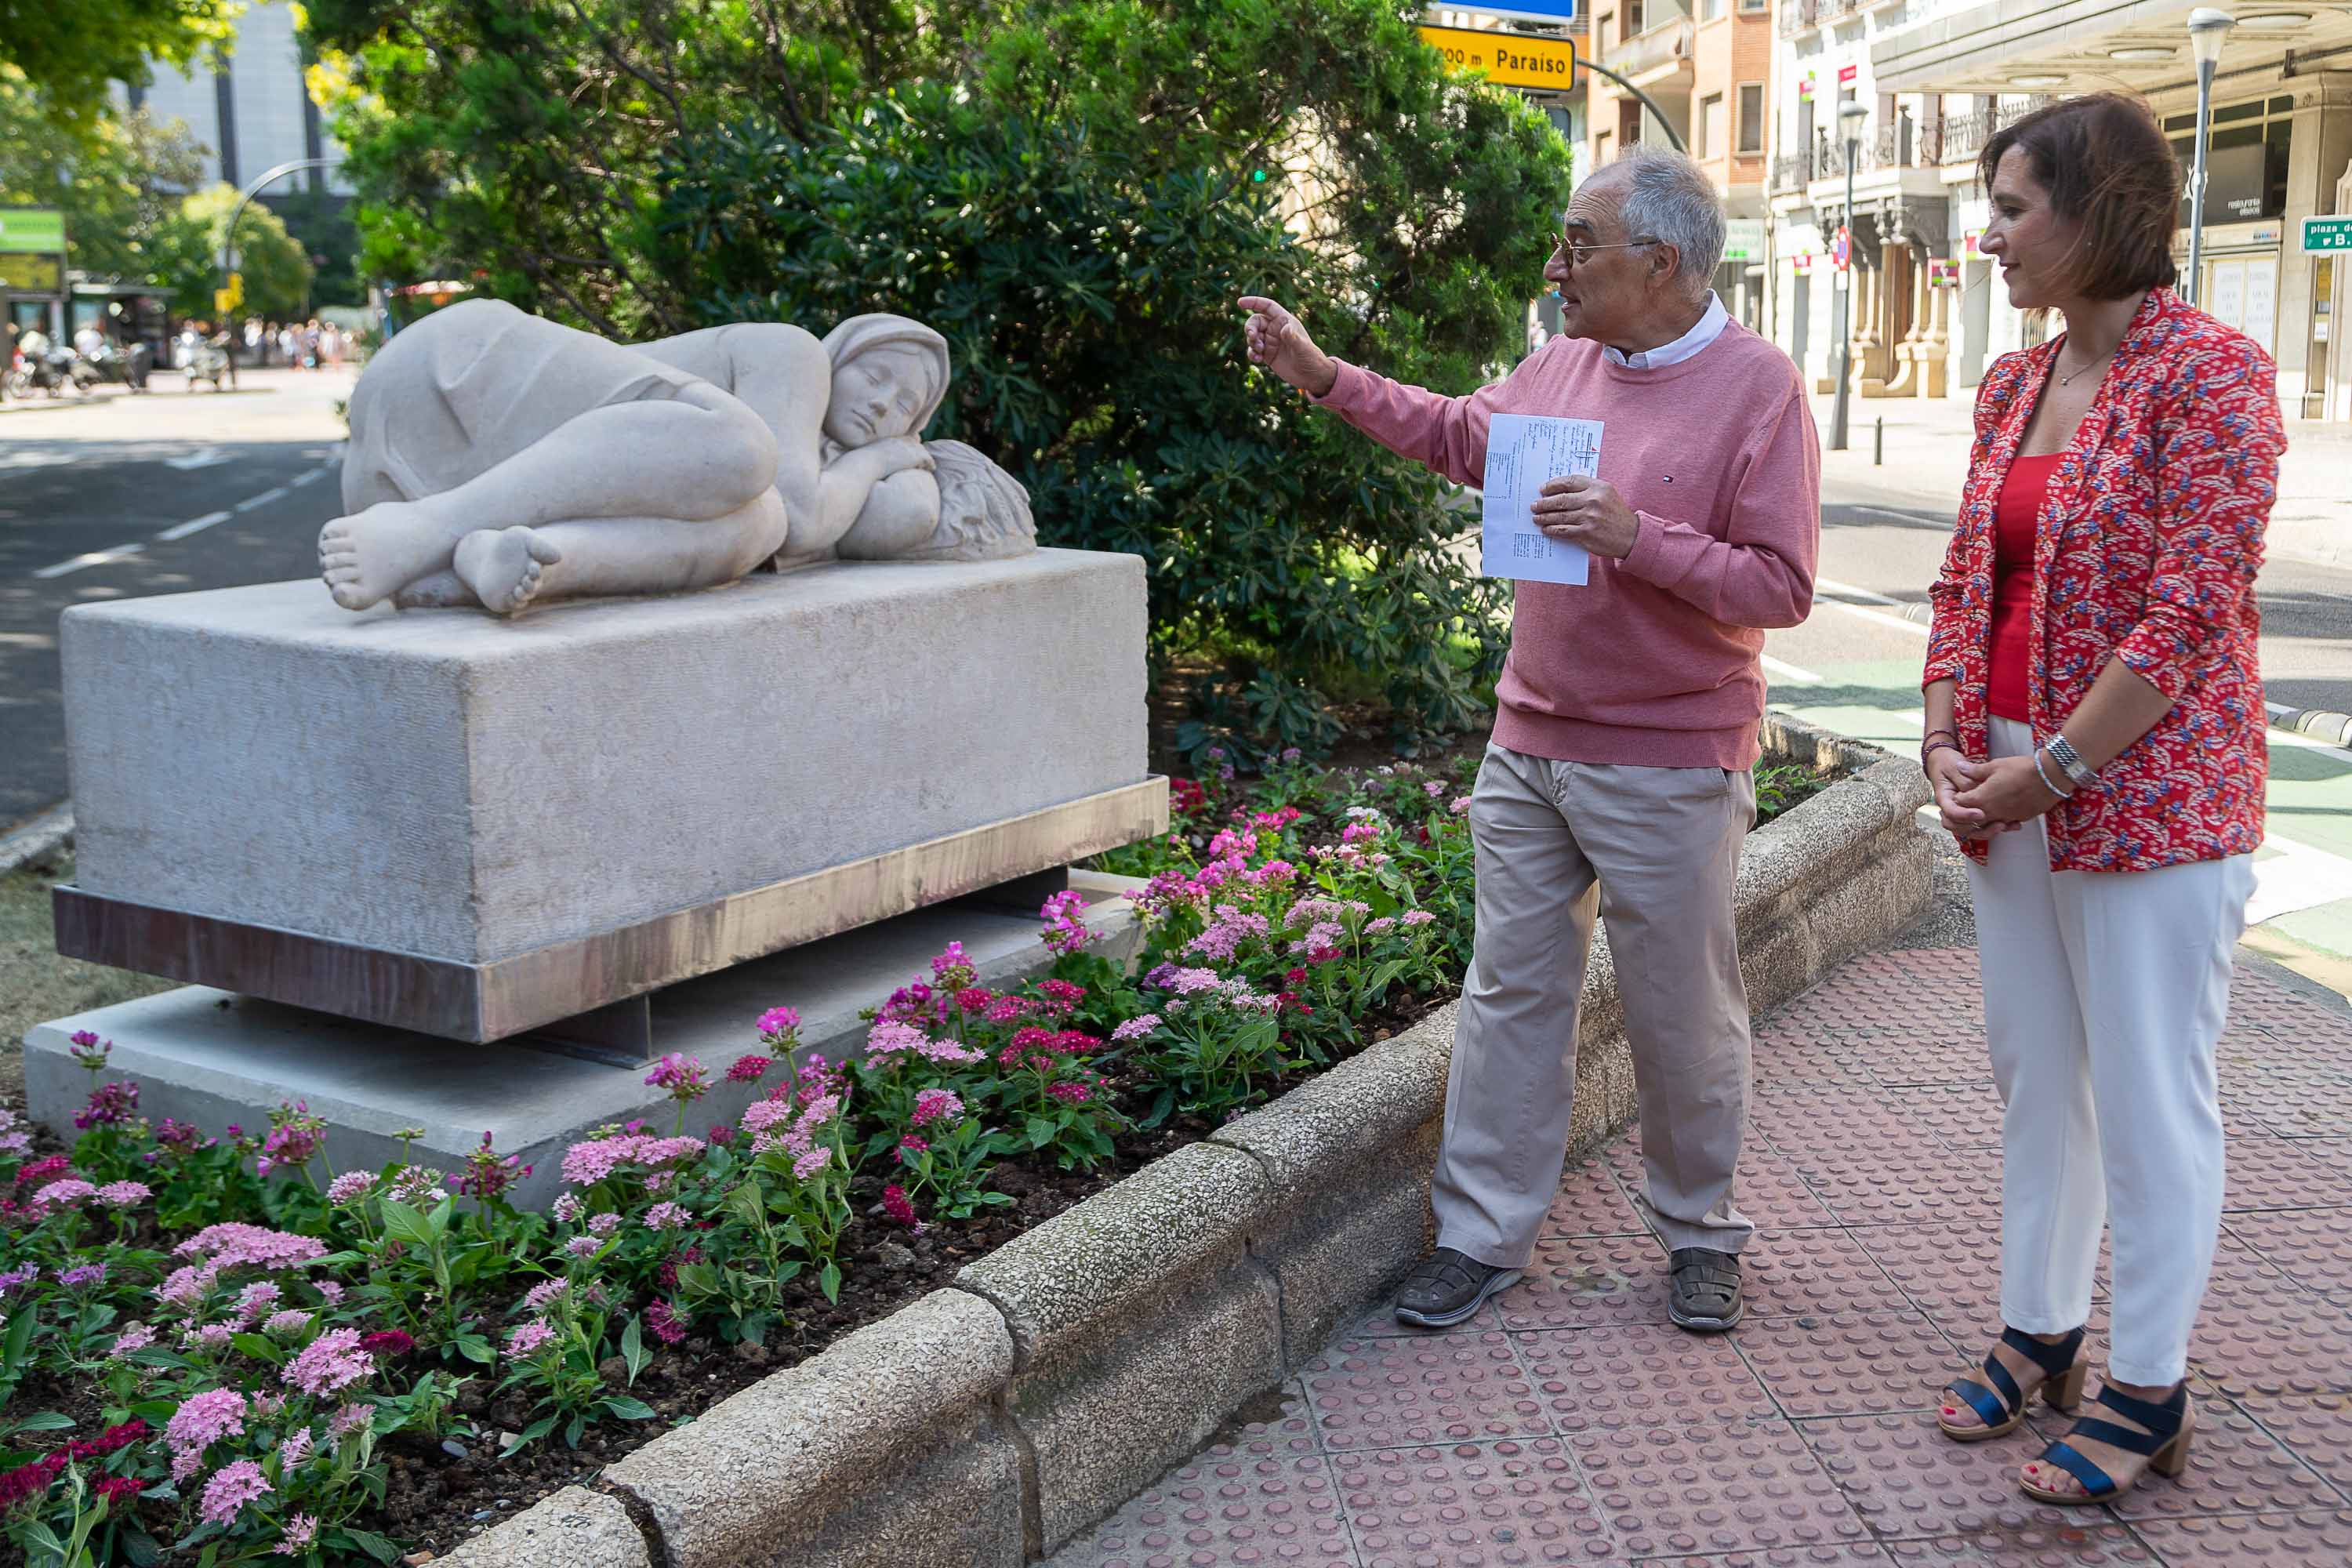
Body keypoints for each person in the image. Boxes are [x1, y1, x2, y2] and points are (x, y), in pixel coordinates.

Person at [1240, 146, 1820, 1334]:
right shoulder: (1561, 362)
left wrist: (1636, 537)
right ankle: (1481, 1235)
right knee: (1510, 993)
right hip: (1529, 742)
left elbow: (1781, 586)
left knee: (1680, 1013)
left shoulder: (1759, 387)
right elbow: (1459, 433)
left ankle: (1700, 1232)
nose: (1557, 265)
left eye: (1579, 245)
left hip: (1670, 756)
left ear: (1661, 262)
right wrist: (1321, 374)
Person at [1920, 93, 2282, 1505]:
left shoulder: (2215, 376)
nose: (1992, 235)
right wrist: (1946, 734)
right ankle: (2042, 1331)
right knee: (2035, 1073)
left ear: (2098, 214)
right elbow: (1969, 575)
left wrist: (2053, 768)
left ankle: (2152, 1385)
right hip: (2008, 778)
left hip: (2150, 796)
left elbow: (2189, 611)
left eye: (2014, 209)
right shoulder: (2011, 384)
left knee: (2147, 1095)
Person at [321, 299, 947, 612]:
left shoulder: (769, 506)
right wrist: (882, 457)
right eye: (876, 376)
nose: (882, 404)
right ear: (841, 353)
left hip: (428, 534)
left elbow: (877, 520)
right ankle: (431, 527)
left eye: (906, 406)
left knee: (761, 525)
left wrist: (897, 469)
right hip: (453, 387)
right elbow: (811, 518)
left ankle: (511, 558)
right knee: (747, 450)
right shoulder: (795, 353)